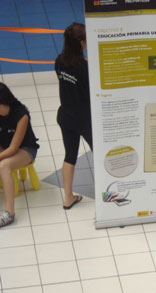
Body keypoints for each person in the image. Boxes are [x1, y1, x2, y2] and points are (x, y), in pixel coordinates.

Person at [55, 22, 92, 210]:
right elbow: (90, 94)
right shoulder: (84, 69)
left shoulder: (59, 61)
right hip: (85, 120)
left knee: (70, 156)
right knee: (101, 153)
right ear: (81, 43)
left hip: (66, 117)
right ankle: (109, 191)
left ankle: (68, 198)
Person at [0, 83, 39, 227]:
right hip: (5, 147)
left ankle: (9, 213)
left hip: (25, 150)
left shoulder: (21, 115)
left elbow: (13, 148)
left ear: (4, 103)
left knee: (4, 165)